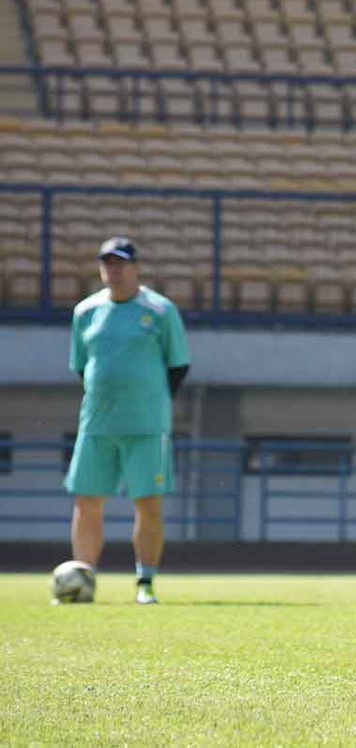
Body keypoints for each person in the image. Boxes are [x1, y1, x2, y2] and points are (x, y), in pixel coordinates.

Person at [63, 237, 191, 605]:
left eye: (120, 263)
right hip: (97, 425)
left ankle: (145, 583)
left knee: (147, 502)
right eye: (107, 263)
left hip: (147, 426)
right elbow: (81, 367)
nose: (113, 270)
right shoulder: (85, 312)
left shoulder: (160, 310)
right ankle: (82, 580)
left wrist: (149, 402)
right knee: (87, 503)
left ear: (135, 268)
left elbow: (178, 365)